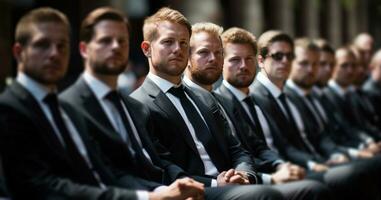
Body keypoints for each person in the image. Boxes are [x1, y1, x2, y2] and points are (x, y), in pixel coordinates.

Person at [0, 7, 204, 200]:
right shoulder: (11, 108)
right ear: (19, 52)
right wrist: (151, 197)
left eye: (61, 45)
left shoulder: (63, 108)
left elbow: (102, 172)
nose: (54, 53)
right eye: (42, 44)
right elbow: (43, 186)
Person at [129, 7, 284, 200]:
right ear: (146, 49)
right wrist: (214, 184)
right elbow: (162, 167)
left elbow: (237, 149)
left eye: (183, 43)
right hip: (195, 192)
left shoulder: (204, 97)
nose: (177, 49)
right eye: (168, 42)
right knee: (270, 194)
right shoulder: (137, 104)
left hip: (235, 186)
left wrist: (244, 175)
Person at [184, 23, 331, 200]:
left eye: (218, 53)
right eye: (235, 59)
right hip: (219, 186)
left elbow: (252, 148)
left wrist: (279, 166)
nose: (243, 66)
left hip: (250, 178)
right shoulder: (221, 99)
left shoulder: (228, 100)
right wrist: (269, 178)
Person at [249, 31, 380, 200]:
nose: (285, 61)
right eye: (278, 56)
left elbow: (317, 136)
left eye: (289, 56)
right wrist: (313, 163)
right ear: (261, 60)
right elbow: (277, 147)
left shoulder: (288, 95)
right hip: (284, 170)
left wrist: (333, 156)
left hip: (311, 161)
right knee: (355, 174)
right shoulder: (255, 95)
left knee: (371, 169)